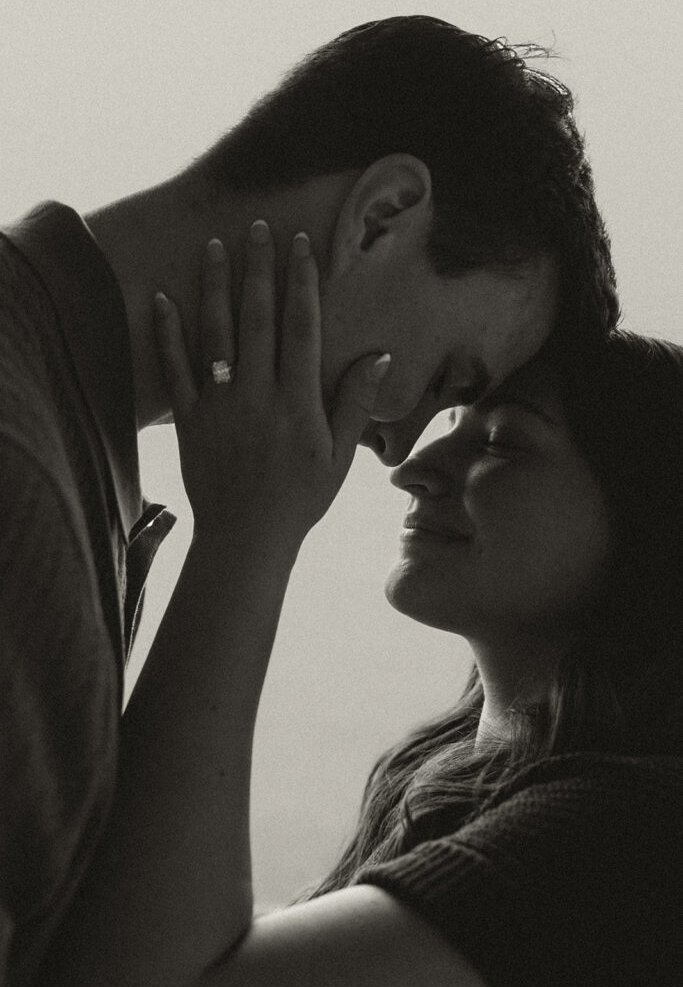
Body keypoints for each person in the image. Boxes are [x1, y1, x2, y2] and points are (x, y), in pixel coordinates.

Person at [0, 16, 618, 985]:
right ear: (380, 216)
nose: (399, 444)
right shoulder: (22, 481)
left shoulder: (58, 449)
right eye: (445, 382)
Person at [43, 233, 681, 987]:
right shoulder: (449, 783)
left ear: (651, 524)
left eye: (503, 442)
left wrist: (249, 531)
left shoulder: (628, 837)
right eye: (451, 425)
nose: (411, 470)